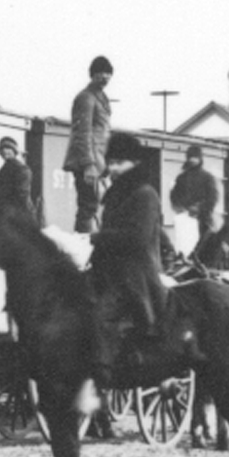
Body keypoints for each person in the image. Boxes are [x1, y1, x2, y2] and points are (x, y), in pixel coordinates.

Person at [88, 155, 168, 379]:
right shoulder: (116, 196)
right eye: (111, 163)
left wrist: (98, 238)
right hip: (110, 271)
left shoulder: (146, 195)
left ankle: (101, 378)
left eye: (119, 163)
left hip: (136, 273)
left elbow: (138, 239)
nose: (112, 168)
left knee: (101, 317)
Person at [64, 56, 114, 232]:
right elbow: (82, 133)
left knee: (94, 206)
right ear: (93, 75)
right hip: (88, 162)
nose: (106, 77)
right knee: (88, 206)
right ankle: (82, 246)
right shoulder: (86, 98)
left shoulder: (100, 97)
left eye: (109, 73)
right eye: (101, 73)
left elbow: (103, 134)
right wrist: (88, 165)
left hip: (99, 160)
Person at [170, 144, 222, 267]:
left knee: (207, 243)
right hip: (185, 218)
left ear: (200, 159)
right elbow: (174, 197)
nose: (192, 160)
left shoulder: (207, 177)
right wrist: (183, 208)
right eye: (190, 157)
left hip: (203, 218)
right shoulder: (181, 178)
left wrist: (199, 209)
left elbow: (213, 198)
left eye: (195, 157)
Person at [0, 136, 35, 221]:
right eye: (2, 149)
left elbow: (22, 195)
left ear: (14, 151)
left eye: (8, 148)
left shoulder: (22, 169)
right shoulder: (1, 172)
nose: (4, 151)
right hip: (4, 215)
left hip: (18, 215)